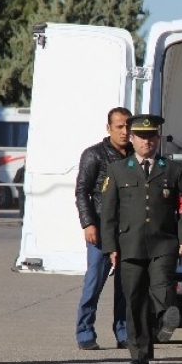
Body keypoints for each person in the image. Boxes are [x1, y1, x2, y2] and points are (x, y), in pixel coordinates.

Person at [100, 114, 182, 364]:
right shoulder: (118, 170)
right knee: (134, 299)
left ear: (158, 139)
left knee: (162, 286)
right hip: (129, 243)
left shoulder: (173, 169)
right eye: (141, 137)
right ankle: (139, 354)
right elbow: (108, 212)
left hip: (163, 241)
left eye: (151, 136)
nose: (147, 142)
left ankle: (166, 317)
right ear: (132, 139)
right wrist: (110, 247)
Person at [74, 107, 133, 350]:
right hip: (100, 229)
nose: (125, 131)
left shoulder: (135, 155)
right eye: (119, 126)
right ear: (108, 128)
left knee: (125, 286)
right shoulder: (94, 155)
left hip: (128, 230)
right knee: (94, 282)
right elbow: (82, 191)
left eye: (128, 126)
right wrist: (88, 223)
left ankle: (123, 331)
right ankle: (85, 330)